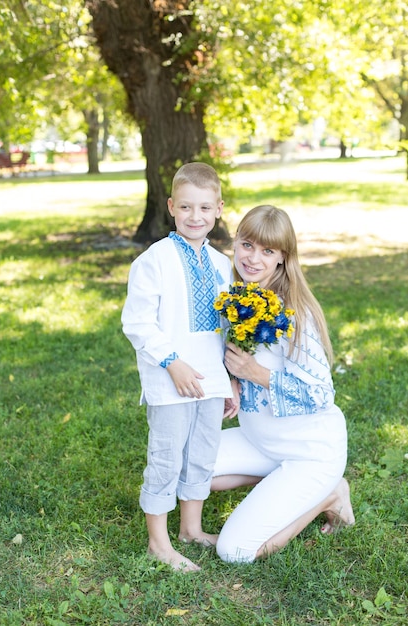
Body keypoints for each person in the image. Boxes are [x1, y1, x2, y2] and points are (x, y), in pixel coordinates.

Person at [211, 204, 355, 563]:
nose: (253, 258)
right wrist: (232, 379)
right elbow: (232, 354)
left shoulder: (292, 313)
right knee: (188, 468)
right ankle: (282, 486)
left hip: (309, 451)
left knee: (234, 551)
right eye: (247, 245)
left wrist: (255, 374)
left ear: (282, 258)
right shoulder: (237, 296)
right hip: (260, 441)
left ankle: (329, 495)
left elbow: (322, 394)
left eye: (267, 251)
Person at [121, 162, 234, 572]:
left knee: (202, 454)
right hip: (170, 379)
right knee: (167, 456)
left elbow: (225, 330)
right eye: (186, 207)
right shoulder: (155, 260)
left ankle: (191, 529)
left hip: (210, 379)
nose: (195, 216)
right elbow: (137, 322)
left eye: (205, 208)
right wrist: (172, 363)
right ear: (171, 206)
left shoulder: (223, 266)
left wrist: (228, 382)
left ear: (219, 208)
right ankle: (159, 542)